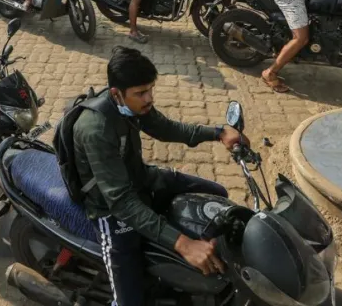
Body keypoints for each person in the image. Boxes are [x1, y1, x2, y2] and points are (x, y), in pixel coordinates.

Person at [72, 47, 246, 304]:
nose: (149, 98)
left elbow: (166, 128)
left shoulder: (131, 107)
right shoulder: (96, 129)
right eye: (141, 93)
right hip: (109, 208)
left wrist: (219, 133)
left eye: (150, 89)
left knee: (216, 194)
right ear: (115, 94)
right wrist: (184, 244)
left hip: (140, 178)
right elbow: (121, 202)